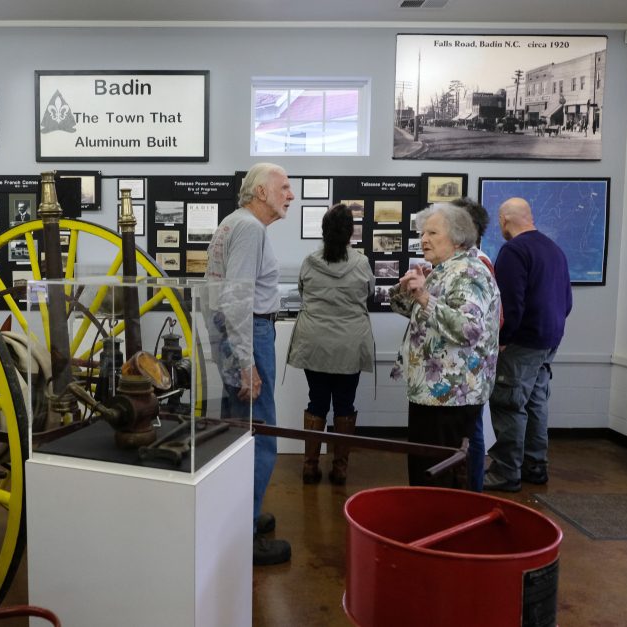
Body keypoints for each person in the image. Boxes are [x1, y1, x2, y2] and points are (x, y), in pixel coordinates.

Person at [205, 162, 294, 566]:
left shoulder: (234, 223)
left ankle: (241, 518)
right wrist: (245, 363)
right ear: (261, 192)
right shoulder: (250, 229)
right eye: (285, 187)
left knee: (237, 433)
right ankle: (244, 533)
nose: (290, 195)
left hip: (238, 334)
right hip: (249, 334)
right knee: (258, 437)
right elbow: (236, 298)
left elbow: (224, 297)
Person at [389, 203, 500, 489]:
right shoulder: (444, 269)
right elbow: (416, 312)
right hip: (433, 394)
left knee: (442, 476)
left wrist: (425, 297)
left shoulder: (470, 273)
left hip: (450, 398)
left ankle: (444, 528)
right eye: (422, 233)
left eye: (432, 232)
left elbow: (468, 329)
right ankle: (431, 524)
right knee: (427, 469)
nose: (423, 239)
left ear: (458, 237)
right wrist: (407, 291)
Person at [484, 197, 572, 492]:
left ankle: (506, 472)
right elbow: (567, 302)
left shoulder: (514, 251)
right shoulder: (555, 250)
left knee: (509, 403)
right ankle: (535, 465)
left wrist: (504, 339)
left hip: (522, 342)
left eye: (500, 222)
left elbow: (511, 305)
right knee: (536, 403)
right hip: (549, 340)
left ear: (505, 220)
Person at [286, 203, 374, 485]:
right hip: (349, 342)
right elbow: (369, 292)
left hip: (315, 342)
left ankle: (310, 466)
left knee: (317, 401)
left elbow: (301, 292)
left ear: (323, 231)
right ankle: (340, 469)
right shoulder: (361, 263)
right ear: (351, 233)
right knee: (345, 405)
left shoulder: (310, 261)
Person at [451, 197, 499, 493]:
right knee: (470, 429)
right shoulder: (468, 262)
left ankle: (472, 493)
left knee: (473, 431)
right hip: (466, 367)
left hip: (471, 366)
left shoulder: (476, 265)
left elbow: (474, 323)